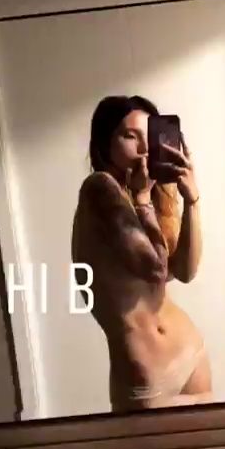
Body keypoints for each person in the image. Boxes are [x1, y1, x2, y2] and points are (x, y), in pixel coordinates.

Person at [71, 94, 212, 413]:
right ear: (104, 144)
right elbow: (154, 270)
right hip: (147, 375)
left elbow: (185, 272)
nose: (144, 148)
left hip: (191, 353)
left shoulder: (149, 195)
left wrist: (192, 200)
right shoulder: (99, 189)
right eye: (129, 136)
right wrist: (143, 200)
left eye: (148, 136)